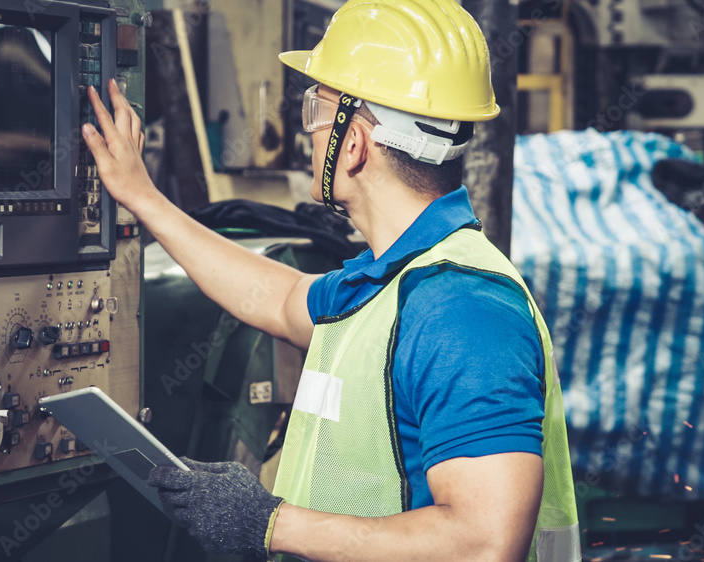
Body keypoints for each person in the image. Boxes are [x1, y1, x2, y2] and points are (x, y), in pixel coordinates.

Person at [81, 0, 580, 559]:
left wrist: (269, 523)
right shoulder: (387, 284)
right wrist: (142, 196)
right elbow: (276, 295)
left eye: (314, 114)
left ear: (355, 143)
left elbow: (485, 541)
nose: (308, 135)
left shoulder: (462, 307)